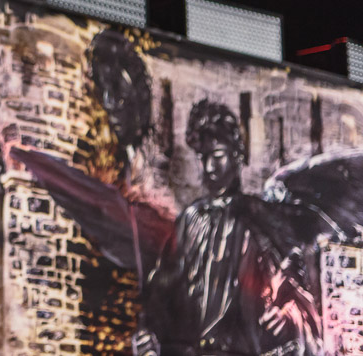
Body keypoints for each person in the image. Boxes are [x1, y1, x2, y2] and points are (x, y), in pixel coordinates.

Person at [133, 100, 321, 356]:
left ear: (237, 155)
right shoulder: (189, 220)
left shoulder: (262, 218)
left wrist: (287, 316)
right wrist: (149, 334)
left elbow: (296, 287)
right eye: (202, 157)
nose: (209, 168)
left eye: (217, 156)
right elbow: (160, 291)